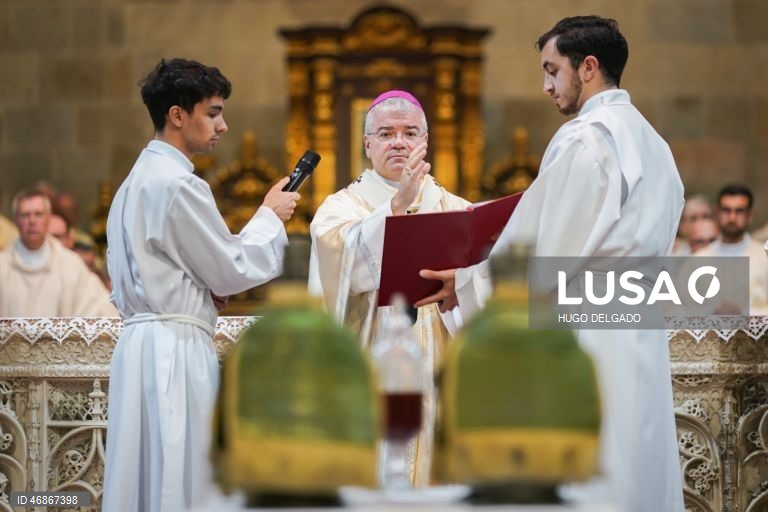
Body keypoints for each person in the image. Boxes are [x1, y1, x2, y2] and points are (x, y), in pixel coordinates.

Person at [417, 16, 685, 512]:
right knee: (636, 464)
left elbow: (543, 252)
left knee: (590, 474)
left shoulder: (587, 140)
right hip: (638, 330)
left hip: (585, 337)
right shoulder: (655, 144)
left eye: (551, 70)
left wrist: (468, 283)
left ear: (588, 67)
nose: (544, 87)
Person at [102, 58, 300, 512]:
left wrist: (202, 289)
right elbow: (230, 267)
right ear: (177, 115)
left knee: (143, 478)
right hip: (175, 350)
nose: (223, 126)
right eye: (213, 113)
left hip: (137, 348)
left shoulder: (132, 184)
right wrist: (270, 215)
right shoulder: (178, 184)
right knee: (183, 477)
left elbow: (159, 271)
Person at [308, 90, 471, 486]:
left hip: (439, 364)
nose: (399, 141)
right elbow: (338, 265)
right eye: (386, 133)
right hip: (373, 361)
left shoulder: (457, 209)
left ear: (425, 142)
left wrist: (464, 282)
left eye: (410, 133)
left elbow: (484, 286)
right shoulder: (341, 207)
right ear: (368, 144)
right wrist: (396, 207)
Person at [0, 189, 116, 317]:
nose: (32, 221)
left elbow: (101, 309)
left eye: (38, 214)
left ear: (49, 219)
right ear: (15, 220)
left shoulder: (71, 265)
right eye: (25, 215)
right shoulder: (3, 265)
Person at [695, 184, 768, 311]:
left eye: (739, 211)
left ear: (750, 215)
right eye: (726, 210)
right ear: (717, 213)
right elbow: (684, 309)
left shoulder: (764, 257)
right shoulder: (697, 260)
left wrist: (745, 312)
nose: (732, 217)